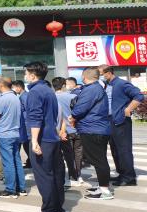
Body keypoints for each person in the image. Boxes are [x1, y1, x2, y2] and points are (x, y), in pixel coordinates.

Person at [24, 62, 65, 212]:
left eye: (26, 73)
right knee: (55, 175)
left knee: (44, 177)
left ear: (33, 75)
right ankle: (58, 210)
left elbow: (35, 118)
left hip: (42, 139)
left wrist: (34, 141)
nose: (25, 76)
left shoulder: (35, 92)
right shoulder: (49, 90)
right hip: (52, 138)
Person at [99, 65, 144, 187]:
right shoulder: (107, 85)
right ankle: (122, 174)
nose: (100, 77)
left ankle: (129, 177)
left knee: (124, 150)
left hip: (121, 121)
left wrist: (128, 109)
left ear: (108, 73)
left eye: (101, 74)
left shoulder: (122, 84)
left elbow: (139, 96)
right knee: (115, 150)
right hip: (110, 121)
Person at [70, 67, 112, 199]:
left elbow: (80, 108)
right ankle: (102, 186)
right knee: (99, 159)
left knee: (99, 160)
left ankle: (105, 191)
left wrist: (73, 116)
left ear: (84, 76)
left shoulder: (91, 89)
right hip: (96, 128)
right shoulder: (96, 88)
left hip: (93, 129)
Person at [0, 77, 27, 198]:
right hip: (15, 133)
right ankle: (21, 188)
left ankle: (10, 189)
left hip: (4, 134)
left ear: (1, 85)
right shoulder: (16, 97)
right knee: (16, 160)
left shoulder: (2, 99)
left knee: (8, 162)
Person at [52, 77, 84, 187]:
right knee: (78, 154)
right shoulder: (73, 96)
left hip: (63, 131)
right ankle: (78, 175)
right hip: (77, 129)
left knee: (68, 155)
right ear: (63, 85)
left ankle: (72, 176)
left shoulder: (52, 98)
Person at [12, 80, 31, 168]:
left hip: (26, 124)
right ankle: (29, 161)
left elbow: (28, 111)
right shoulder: (23, 96)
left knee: (26, 143)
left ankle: (30, 161)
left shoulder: (24, 97)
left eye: (14, 87)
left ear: (19, 87)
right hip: (25, 123)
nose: (13, 89)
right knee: (25, 144)